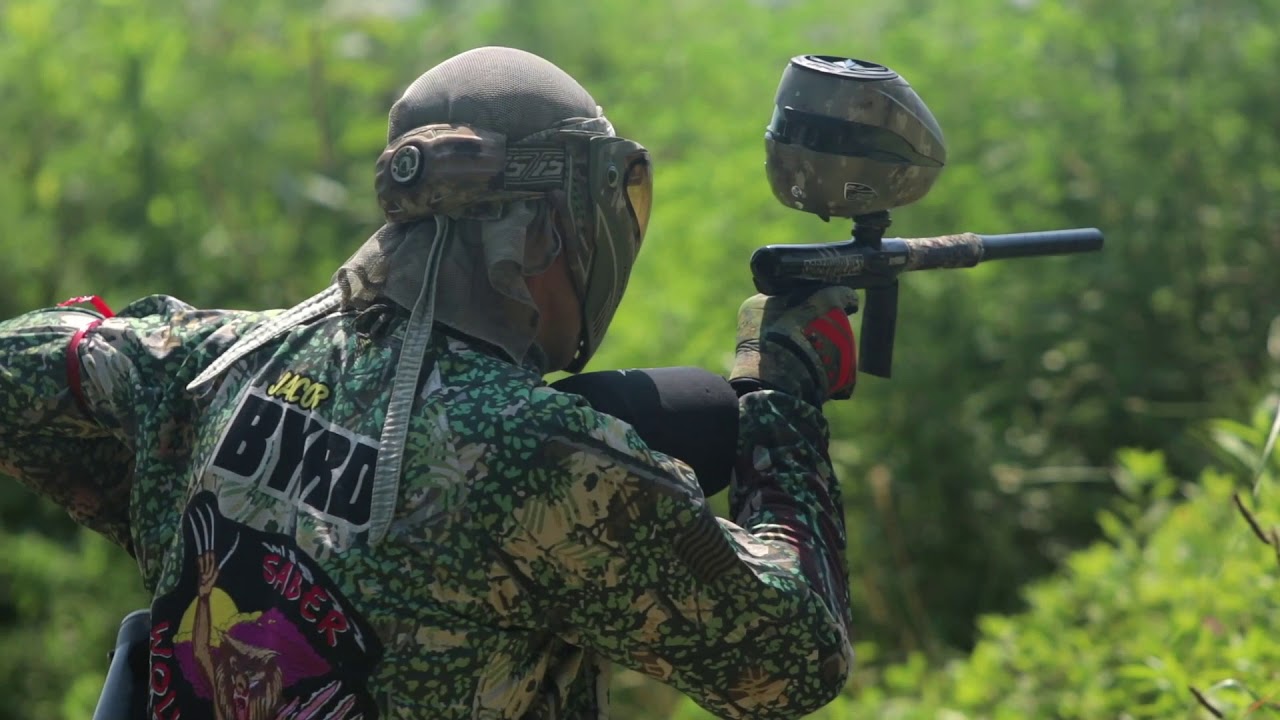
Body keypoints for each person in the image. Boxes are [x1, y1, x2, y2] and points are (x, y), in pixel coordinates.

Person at [0, 46, 858, 719]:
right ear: (542, 231)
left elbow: (20, 363)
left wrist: (153, 492)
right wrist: (780, 406)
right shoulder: (536, 456)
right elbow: (793, 662)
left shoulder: (210, 360)